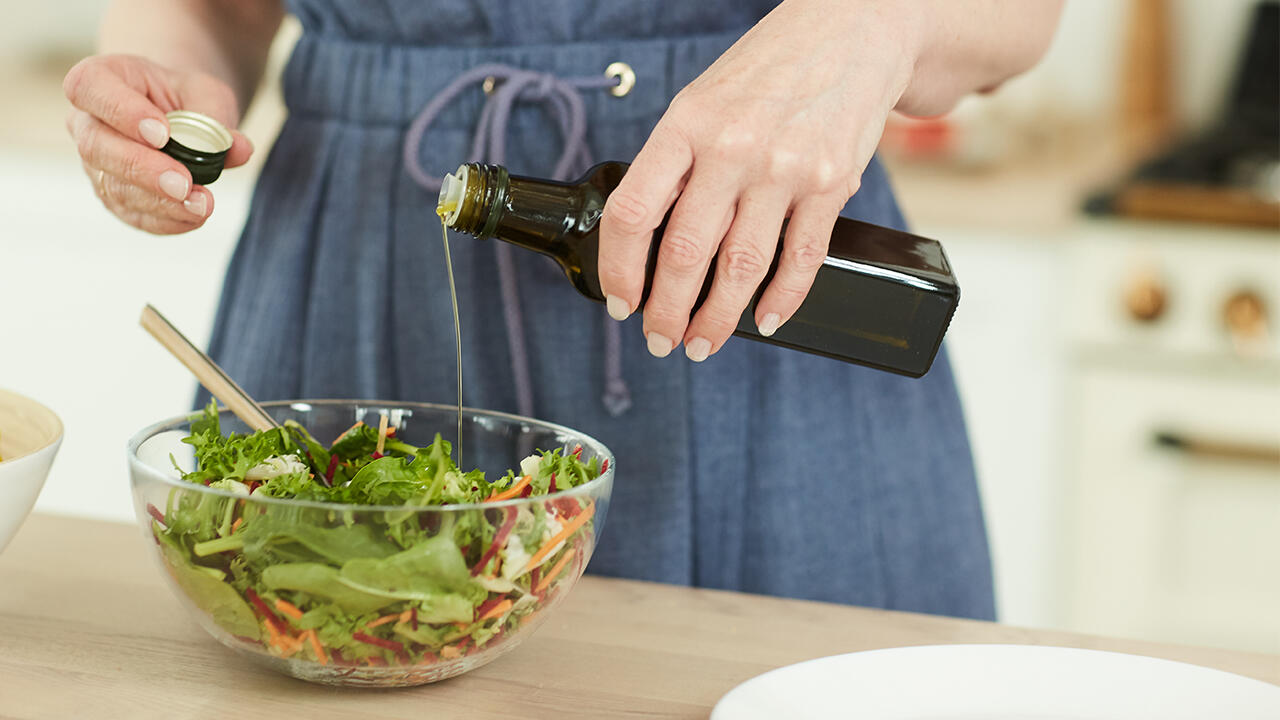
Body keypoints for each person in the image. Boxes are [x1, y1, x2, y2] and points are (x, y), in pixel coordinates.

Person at [65, 0, 1062, 620]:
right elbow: (217, 9)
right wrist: (164, 94)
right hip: (356, 271)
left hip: (752, 271)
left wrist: (871, 22)